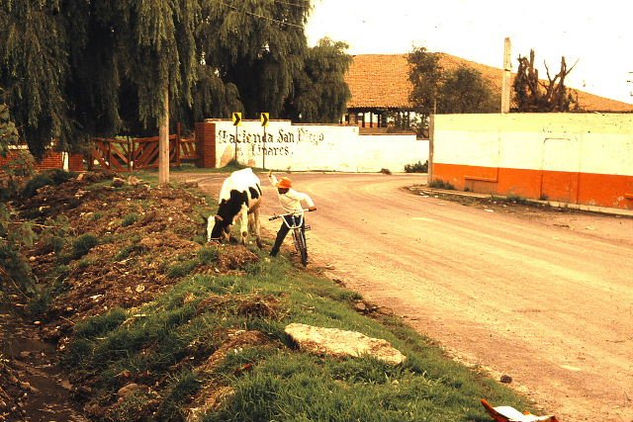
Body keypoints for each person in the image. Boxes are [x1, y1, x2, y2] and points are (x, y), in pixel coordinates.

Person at [268, 171, 317, 257]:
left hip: (298, 214)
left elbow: (305, 196)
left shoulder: (293, 194)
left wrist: (311, 205)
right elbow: (274, 182)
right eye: (279, 187)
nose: (279, 189)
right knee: (281, 234)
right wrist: (271, 176)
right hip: (288, 215)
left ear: (286, 188)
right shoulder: (279, 189)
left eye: (281, 188)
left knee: (301, 233)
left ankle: (305, 255)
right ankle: (273, 253)